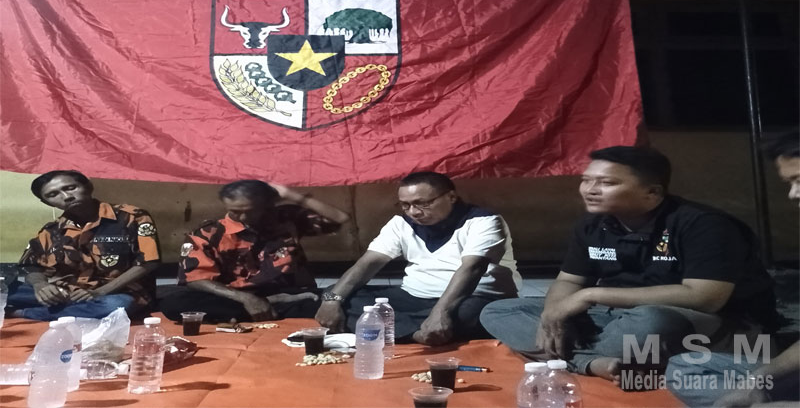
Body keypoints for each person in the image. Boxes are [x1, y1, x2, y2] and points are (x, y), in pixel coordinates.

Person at [479, 146, 779, 388]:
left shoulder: (703, 225)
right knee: (498, 311)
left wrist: (590, 296)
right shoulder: (593, 224)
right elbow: (569, 280)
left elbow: (706, 297)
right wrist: (554, 314)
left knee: (649, 324)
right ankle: (594, 362)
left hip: (707, 320)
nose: (590, 189)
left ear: (653, 193)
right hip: (618, 318)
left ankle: (580, 358)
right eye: (586, 180)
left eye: (607, 183)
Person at [666, 129, 799, 407]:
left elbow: (704, 296)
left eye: (799, 180)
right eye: (789, 183)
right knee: (686, 369)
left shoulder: (704, 224)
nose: (793, 194)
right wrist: (756, 381)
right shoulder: (597, 228)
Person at [315, 171, 522, 345]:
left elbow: (472, 268)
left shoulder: (483, 221)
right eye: (405, 205)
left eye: (422, 203)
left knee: (475, 314)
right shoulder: (401, 223)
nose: (413, 212)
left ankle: (398, 329)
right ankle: (417, 334)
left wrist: (440, 312)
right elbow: (367, 264)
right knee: (335, 293)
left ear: (451, 197)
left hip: (472, 297)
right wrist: (332, 301)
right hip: (414, 296)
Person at [159, 180, 350, 323]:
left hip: (292, 293)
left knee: (340, 300)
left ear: (267, 205)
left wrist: (291, 195)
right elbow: (195, 279)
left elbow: (339, 218)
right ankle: (264, 307)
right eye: (235, 211)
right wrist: (246, 299)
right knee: (174, 304)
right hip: (236, 295)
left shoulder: (285, 218)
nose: (243, 217)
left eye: (250, 211)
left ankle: (254, 312)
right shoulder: (208, 233)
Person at [7, 170, 161, 320]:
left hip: (117, 293)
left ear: (88, 187)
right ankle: (70, 308)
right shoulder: (51, 230)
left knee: (116, 305)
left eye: (71, 188)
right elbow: (32, 266)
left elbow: (148, 262)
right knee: (4, 289)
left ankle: (23, 312)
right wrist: (40, 285)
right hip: (66, 293)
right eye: (53, 195)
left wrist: (100, 292)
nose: (66, 197)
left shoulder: (132, 217)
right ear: (47, 202)